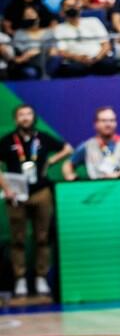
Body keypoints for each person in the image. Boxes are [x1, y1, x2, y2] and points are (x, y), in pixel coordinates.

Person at [0, 104, 72, 297]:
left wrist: (50, 161)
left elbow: (67, 149)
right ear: (16, 119)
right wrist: (6, 188)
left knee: (42, 237)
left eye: (28, 114)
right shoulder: (7, 141)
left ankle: (41, 277)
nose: (25, 118)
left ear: (34, 117)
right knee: (18, 239)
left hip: (41, 191)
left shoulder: (42, 138)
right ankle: (20, 279)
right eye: (21, 115)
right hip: (16, 193)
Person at [49, 0, 116, 77]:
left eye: (74, 6)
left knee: (109, 64)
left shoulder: (93, 21)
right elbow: (62, 51)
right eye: (69, 6)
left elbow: (106, 45)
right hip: (75, 61)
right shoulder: (59, 28)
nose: (72, 9)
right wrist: (79, 58)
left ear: (79, 8)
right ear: (62, 11)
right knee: (72, 68)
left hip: (99, 59)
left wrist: (96, 58)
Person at [63, 107, 120, 180]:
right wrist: (70, 175)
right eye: (104, 121)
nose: (108, 124)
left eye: (112, 120)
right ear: (95, 124)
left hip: (119, 186)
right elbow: (67, 165)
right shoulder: (88, 145)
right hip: (95, 187)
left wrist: (119, 174)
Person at [10, 6, 52, 80]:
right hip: (29, 62)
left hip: (47, 61)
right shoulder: (19, 33)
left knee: (55, 60)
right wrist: (27, 54)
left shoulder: (48, 31)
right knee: (31, 72)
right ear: (23, 18)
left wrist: (40, 50)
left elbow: (53, 50)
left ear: (38, 16)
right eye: (26, 15)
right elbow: (18, 53)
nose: (29, 16)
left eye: (32, 13)